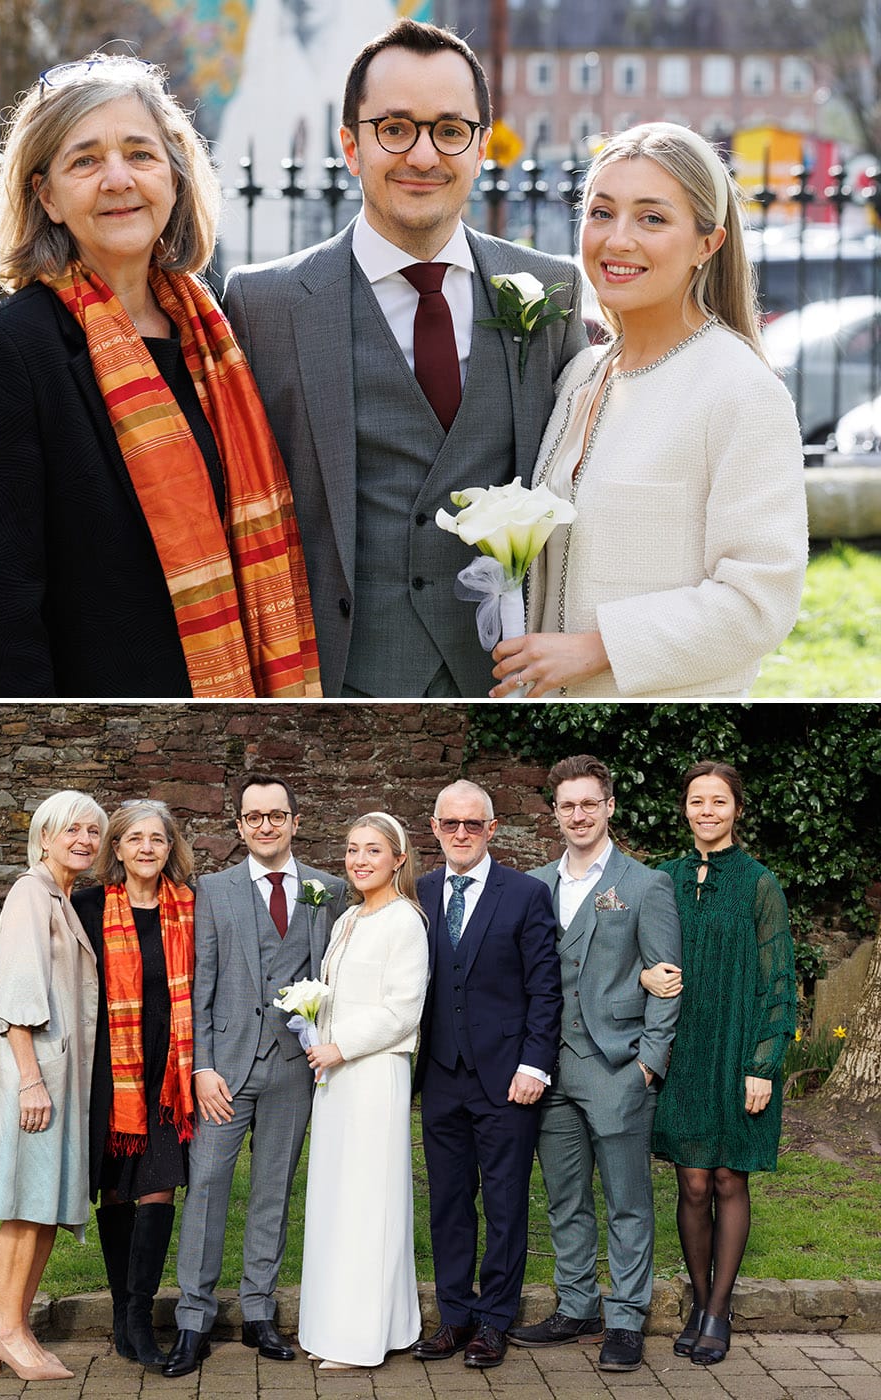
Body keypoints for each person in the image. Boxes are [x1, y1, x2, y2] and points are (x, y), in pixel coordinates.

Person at [222, 19, 590, 697]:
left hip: (508, 684)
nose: (424, 155)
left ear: (480, 146)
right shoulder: (262, 305)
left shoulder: (553, 290)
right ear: (350, 145)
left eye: (450, 130)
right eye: (394, 128)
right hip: (339, 682)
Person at [0, 55, 320, 698]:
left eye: (140, 153)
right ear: (46, 197)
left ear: (174, 176)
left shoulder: (216, 340)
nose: (118, 179)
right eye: (84, 161)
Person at [496, 123, 807, 698]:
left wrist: (598, 649)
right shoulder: (581, 375)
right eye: (601, 212)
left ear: (706, 245)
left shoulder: (739, 390)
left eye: (653, 218)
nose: (617, 240)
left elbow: (761, 599)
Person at [165, 772, 344, 1377]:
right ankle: (194, 1317)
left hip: (295, 1068)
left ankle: (260, 1312)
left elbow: (334, 978)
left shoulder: (328, 889)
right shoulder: (212, 890)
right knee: (208, 1186)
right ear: (239, 826)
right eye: (253, 816)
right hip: (227, 1069)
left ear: (294, 821)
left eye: (276, 815)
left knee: (274, 1188)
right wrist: (203, 1068)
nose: (265, 825)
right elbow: (199, 985)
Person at [511, 756, 681, 1371]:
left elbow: (669, 978)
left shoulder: (644, 885)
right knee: (564, 1197)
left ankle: (627, 1318)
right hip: (548, 1068)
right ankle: (577, 1304)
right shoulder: (534, 885)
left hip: (617, 1068)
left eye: (589, 803)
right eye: (567, 805)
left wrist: (650, 1063)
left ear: (609, 807)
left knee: (628, 1199)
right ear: (553, 812)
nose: (578, 815)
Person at [649, 761, 796, 1367]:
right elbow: (640, 951)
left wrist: (764, 1062)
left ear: (737, 809)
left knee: (730, 1177)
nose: (707, 811)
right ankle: (702, 1300)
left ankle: (717, 1310)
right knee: (692, 1181)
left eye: (719, 801)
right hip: (684, 1050)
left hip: (739, 1051)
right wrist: (642, 974)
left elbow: (779, 979)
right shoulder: (664, 880)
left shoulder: (761, 884)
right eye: (696, 801)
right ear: (684, 808)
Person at [413, 780, 562, 1370]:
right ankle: (454, 1316)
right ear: (434, 828)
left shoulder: (524, 894)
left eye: (473, 825)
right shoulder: (419, 892)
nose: (461, 834)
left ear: (492, 829)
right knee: (448, 1200)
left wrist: (535, 1065)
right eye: (451, 824)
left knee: (504, 1202)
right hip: (441, 1074)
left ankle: (494, 1320)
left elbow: (544, 989)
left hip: (507, 1077)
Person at [0, 789, 105, 1381]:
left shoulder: (61, 897)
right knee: (25, 1205)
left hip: (56, 1071)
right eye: (70, 830)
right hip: (35, 1071)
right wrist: (30, 1082)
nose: (84, 841)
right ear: (44, 836)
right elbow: (15, 994)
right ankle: (6, 1330)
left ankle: (13, 1329)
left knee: (41, 1204)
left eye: (92, 832)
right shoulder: (29, 893)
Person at [297, 812, 429, 1371]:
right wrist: (307, 1016)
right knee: (335, 1197)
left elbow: (402, 1010)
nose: (359, 860)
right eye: (352, 849)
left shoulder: (406, 921)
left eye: (372, 850)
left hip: (374, 1072)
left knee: (367, 1199)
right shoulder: (348, 917)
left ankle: (360, 1338)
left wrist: (341, 1044)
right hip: (335, 1075)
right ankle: (370, 1323)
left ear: (398, 858)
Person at [71, 800, 196, 1369]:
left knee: (159, 1185)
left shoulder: (190, 909)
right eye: (136, 839)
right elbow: (47, 966)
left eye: (159, 839)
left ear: (171, 849)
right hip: (110, 1074)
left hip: (169, 1073)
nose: (148, 848)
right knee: (119, 1188)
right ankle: (123, 1311)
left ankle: (140, 1318)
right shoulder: (88, 906)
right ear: (115, 849)